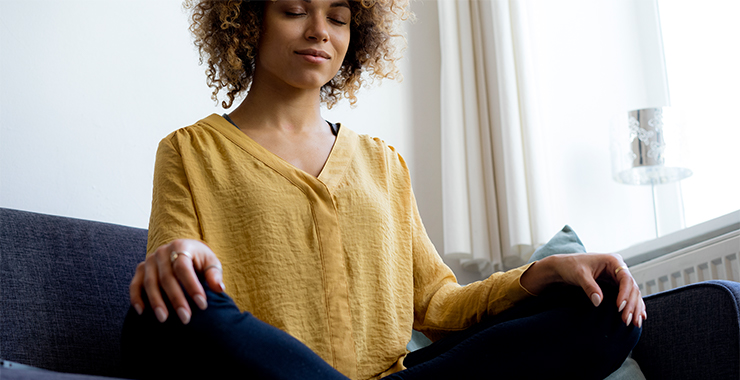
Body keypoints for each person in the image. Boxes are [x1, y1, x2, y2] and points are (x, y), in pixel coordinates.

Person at [122, 0, 646, 379]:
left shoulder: (383, 162)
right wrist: (180, 254)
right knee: (161, 317)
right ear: (248, 18)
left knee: (607, 316)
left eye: (338, 17)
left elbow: (438, 306)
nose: (319, 31)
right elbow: (173, 268)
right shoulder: (190, 150)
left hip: (397, 373)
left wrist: (545, 272)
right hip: (261, 371)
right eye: (294, 11)